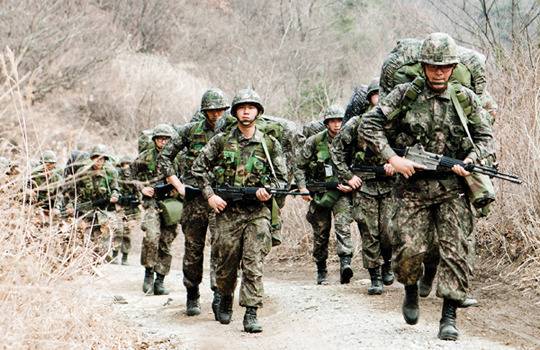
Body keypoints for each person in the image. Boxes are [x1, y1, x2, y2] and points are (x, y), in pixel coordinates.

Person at [360, 32, 494, 340]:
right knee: (408, 250)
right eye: (433, 66)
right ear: (423, 66)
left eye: (445, 66)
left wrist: (471, 160)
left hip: (453, 188)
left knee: (456, 252)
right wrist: (393, 158)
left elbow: (487, 139)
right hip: (412, 188)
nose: (438, 72)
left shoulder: (464, 99)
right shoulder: (405, 95)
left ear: (453, 67)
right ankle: (410, 289)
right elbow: (370, 124)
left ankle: (449, 316)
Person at [191, 88, 287, 333]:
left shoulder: (269, 143)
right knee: (226, 262)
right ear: (235, 112)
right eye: (242, 107)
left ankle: (251, 312)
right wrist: (210, 196)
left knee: (253, 262)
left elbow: (282, 179)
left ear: (258, 111)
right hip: (227, 213)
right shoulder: (221, 140)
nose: (246, 111)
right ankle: (224, 296)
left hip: (257, 212)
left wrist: (268, 190)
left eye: (251, 107)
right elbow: (198, 169)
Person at [158, 88, 229, 317]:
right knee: (193, 250)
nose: (216, 115)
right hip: (195, 199)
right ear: (204, 111)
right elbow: (165, 156)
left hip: (220, 198)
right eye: (211, 111)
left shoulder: (231, 131)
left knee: (221, 248)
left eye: (219, 110)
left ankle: (219, 295)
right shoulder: (190, 131)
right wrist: (177, 184)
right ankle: (192, 294)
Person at [331, 80, 397, 295]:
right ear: (370, 98)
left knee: (388, 231)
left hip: (389, 186)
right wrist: (348, 177)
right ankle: (375, 276)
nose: (380, 98)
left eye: (383, 94)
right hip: (365, 186)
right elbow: (337, 151)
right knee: (369, 232)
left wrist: (395, 163)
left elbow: (409, 148)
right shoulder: (356, 124)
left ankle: (388, 263)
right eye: (376, 95)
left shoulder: (394, 124)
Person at [295, 105, 355, 285]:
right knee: (320, 233)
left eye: (339, 121)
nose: (337, 125)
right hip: (320, 193)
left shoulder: (349, 140)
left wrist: (351, 183)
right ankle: (321, 269)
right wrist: (303, 188)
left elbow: (358, 165)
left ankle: (346, 264)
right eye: (333, 121)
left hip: (342, 193)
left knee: (343, 226)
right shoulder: (314, 141)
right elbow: (299, 166)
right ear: (327, 123)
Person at [132, 124, 180, 295]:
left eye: (166, 138)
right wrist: (142, 188)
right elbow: (131, 177)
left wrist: (178, 188)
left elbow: (188, 177)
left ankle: (160, 279)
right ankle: (148, 274)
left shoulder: (178, 157)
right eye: (160, 138)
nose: (163, 141)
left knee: (166, 242)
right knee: (152, 237)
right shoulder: (144, 157)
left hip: (172, 204)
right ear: (154, 140)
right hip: (152, 203)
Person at [64, 144, 121, 260]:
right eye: (96, 158)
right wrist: (70, 205)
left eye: (102, 159)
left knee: (102, 241)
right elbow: (72, 191)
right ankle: (82, 261)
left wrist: (115, 196)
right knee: (80, 237)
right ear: (91, 158)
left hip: (102, 211)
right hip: (84, 209)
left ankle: (97, 262)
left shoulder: (111, 173)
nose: (99, 161)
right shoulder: (82, 172)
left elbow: (115, 189)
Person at [113, 155, 140, 265]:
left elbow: (139, 192)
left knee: (127, 233)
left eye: (128, 165)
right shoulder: (116, 175)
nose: (126, 168)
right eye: (124, 165)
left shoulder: (135, 176)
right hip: (119, 207)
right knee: (118, 231)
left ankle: (125, 257)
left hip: (131, 208)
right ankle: (114, 255)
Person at [29, 150, 64, 218]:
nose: (50, 167)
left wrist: (56, 207)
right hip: (35, 204)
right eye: (48, 164)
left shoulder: (56, 178)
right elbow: (24, 187)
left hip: (50, 206)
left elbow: (59, 195)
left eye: (52, 165)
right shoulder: (34, 175)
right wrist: (29, 191)